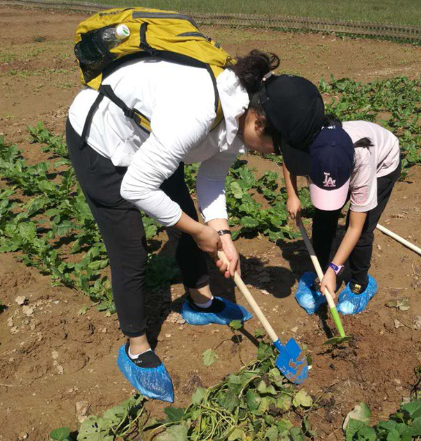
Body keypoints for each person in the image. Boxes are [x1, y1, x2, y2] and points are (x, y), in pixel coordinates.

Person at [66, 49, 324, 402]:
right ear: (259, 123)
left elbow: (213, 175)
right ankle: (136, 348)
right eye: (273, 149)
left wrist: (222, 235)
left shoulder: (241, 111)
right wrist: (199, 230)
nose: (270, 156)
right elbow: (135, 188)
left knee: (183, 215)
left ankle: (199, 303)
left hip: (155, 135)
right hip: (102, 138)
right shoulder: (199, 112)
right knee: (130, 248)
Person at [283, 116, 402, 316]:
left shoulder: (362, 162)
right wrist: (292, 194)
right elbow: (288, 156)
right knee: (323, 219)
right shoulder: (309, 146)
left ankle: (359, 284)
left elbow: (355, 227)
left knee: (363, 230)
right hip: (338, 164)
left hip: (382, 164)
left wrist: (335, 269)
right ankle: (321, 276)